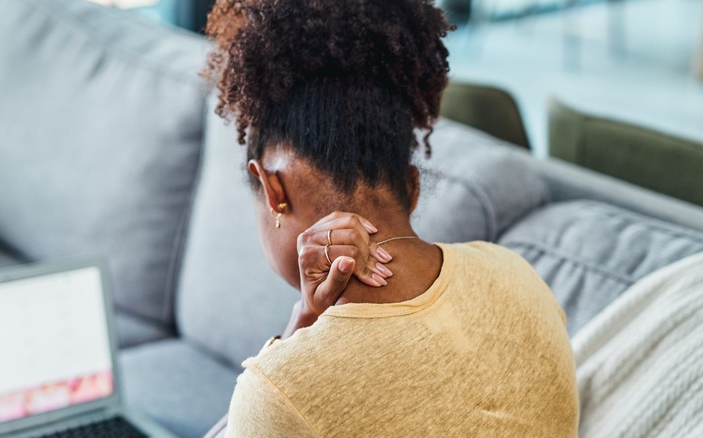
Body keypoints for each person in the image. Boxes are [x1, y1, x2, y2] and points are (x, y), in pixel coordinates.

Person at [203, 0, 579, 436]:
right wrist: (305, 320)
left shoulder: (282, 390)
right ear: (411, 188)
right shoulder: (521, 278)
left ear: (273, 191)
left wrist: (289, 346)